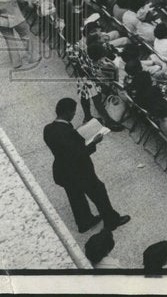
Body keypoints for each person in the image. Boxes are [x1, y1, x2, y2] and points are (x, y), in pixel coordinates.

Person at [42, 97, 131, 233]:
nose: (74, 115)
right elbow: (77, 154)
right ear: (67, 112)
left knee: (76, 197)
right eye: (73, 112)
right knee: (99, 192)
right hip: (79, 171)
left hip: (62, 171)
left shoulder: (48, 129)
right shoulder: (66, 132)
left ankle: (84, 222)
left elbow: (64, 148)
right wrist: (94, 142)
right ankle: (111, 220)